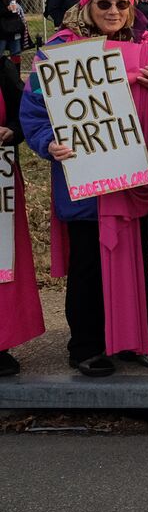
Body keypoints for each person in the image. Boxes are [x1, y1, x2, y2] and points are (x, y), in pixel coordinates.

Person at [21, 0, 148, 376]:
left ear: (131, 7)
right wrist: (48, 142)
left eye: (121, 3)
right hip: (86, 179)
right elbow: (34, 111)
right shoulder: (57, 53)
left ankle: (133, 339)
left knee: (135, 262)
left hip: (135, 179)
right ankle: (87, 345)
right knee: (89, 266)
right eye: (104, 3)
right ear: (87, 5)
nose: (113, 10)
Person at [0, 56, 42, 377]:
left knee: (2, 264)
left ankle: (1, 344)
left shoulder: (3, 68)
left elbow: (21, 121)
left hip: (1, 183)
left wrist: (10, 132)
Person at [0, 0, 25, 64]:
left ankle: (16, 76)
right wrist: (7, 9)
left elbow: (19, 12)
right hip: (2, 30)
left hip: (14, 29)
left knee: (16, 53)